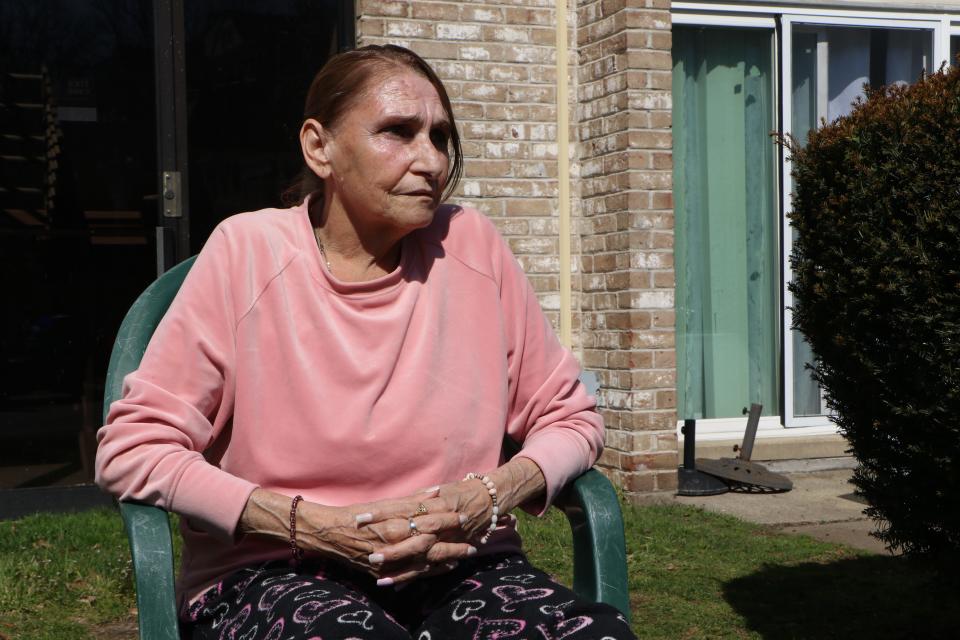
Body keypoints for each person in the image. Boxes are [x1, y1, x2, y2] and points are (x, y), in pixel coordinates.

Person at [96, 44, 636, 640]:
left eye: (440, 137)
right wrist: (309, 524)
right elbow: (134, 448)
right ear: (319, 147)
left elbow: (572, 419)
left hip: (462, 566)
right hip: (276, 571)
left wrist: (491, 493)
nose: (430, 160)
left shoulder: (474, 247)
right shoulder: (246, 254)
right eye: (398, 132)